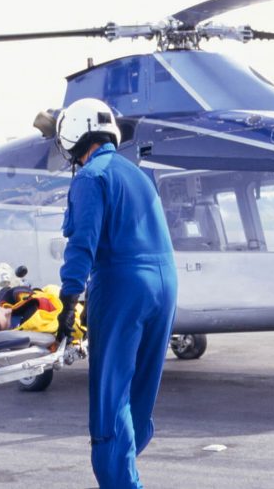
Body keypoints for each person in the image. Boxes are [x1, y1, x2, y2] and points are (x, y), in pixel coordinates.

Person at [54, 98, 178, 488]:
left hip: (123, 283)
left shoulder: (91, 177)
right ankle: (127, 468)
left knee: (111, 396)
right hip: (165, 283)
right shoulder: (138, 174)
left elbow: (82, 243)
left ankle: (121, 480)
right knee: (140, 390)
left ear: (73, 135)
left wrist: (71, 298)